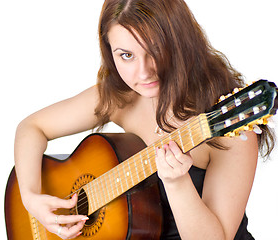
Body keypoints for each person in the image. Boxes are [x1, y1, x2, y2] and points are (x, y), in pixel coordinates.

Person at [14, 0, 275, 239]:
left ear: (181, 42)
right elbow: (31, 127)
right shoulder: (120, 97)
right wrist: (31, 197)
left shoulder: (233, 131)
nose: (144, 72)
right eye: (126, 55)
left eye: (156, 50)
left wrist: (177, 183)